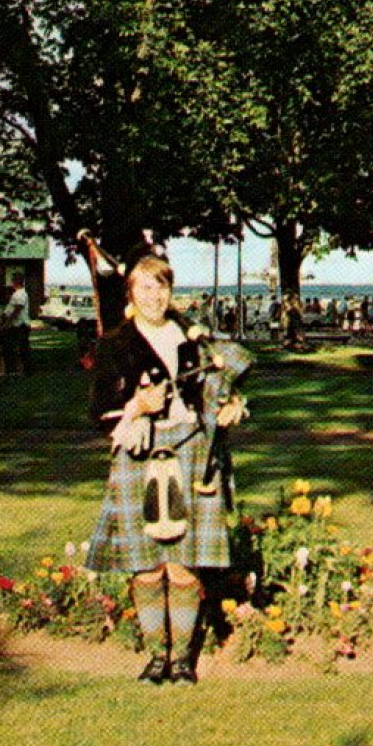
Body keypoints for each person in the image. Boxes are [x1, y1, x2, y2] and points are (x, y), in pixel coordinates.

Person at [86, 254, 252, 685]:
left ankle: (181, 660)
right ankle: (156, 656)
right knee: (145, 566)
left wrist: (236, 406)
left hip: (193, 452)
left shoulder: (193, 340)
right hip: (138, 454)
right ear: (131, 294)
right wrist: (135, 407)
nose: (153, 296)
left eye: (161, 287)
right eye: (144, 287)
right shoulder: (115, 344)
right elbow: (97, 411)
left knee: (182, 564)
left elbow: (221, 391)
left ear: (170, 292)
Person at [0, 275, 31, 376]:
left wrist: (7, 323)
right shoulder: (16, 294)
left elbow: (18, 309)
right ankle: (14, 369)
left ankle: (21, 370)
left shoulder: (19, 294)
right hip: (16, 325)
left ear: (15, 282)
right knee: (11, 347)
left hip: (20, 325)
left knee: (19, 348)